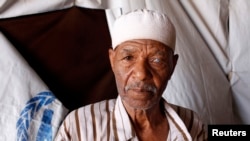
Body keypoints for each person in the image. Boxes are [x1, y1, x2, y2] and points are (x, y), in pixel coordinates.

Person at [55, 9, 207, 141]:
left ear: (172, 66)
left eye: (157, 60)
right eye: (128, 58)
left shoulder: (192, 124)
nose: (141, 74)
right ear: (112, 61)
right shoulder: (79, 127)